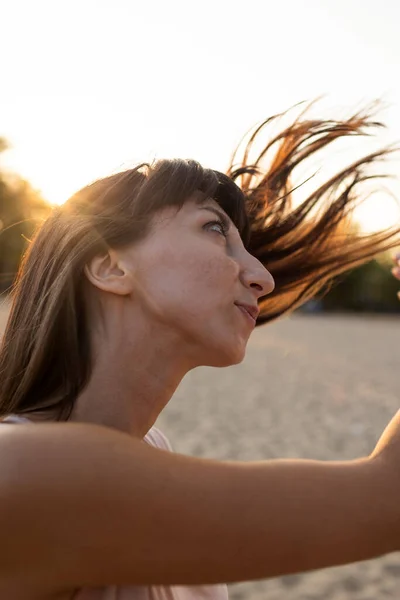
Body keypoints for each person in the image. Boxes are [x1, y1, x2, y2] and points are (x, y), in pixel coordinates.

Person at [0, 103, 400, 600]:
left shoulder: (149, 451)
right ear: (109, 268)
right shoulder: (26, 470)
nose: (263, 277)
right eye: (215, 229)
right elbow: (389, 498)